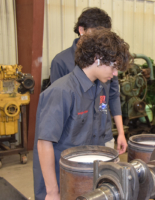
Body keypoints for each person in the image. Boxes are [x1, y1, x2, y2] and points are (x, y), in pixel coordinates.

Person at [33, 29, 132, 200]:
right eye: (114, 67)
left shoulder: (100, 88)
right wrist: (52, 191)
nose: (115, 74)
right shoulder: (61, 92)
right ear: (97, 59)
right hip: (60, 180)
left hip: (85, 178)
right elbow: (44, 144)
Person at [50, 8, 126, 152]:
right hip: (75, 141)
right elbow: (57, 109)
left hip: (104, 135)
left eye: (105, 34)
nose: (101, 38)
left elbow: (114, 96)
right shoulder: (61, 62)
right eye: (97, 32)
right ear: (81, 30)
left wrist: (120, 133)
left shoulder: (108, 63)